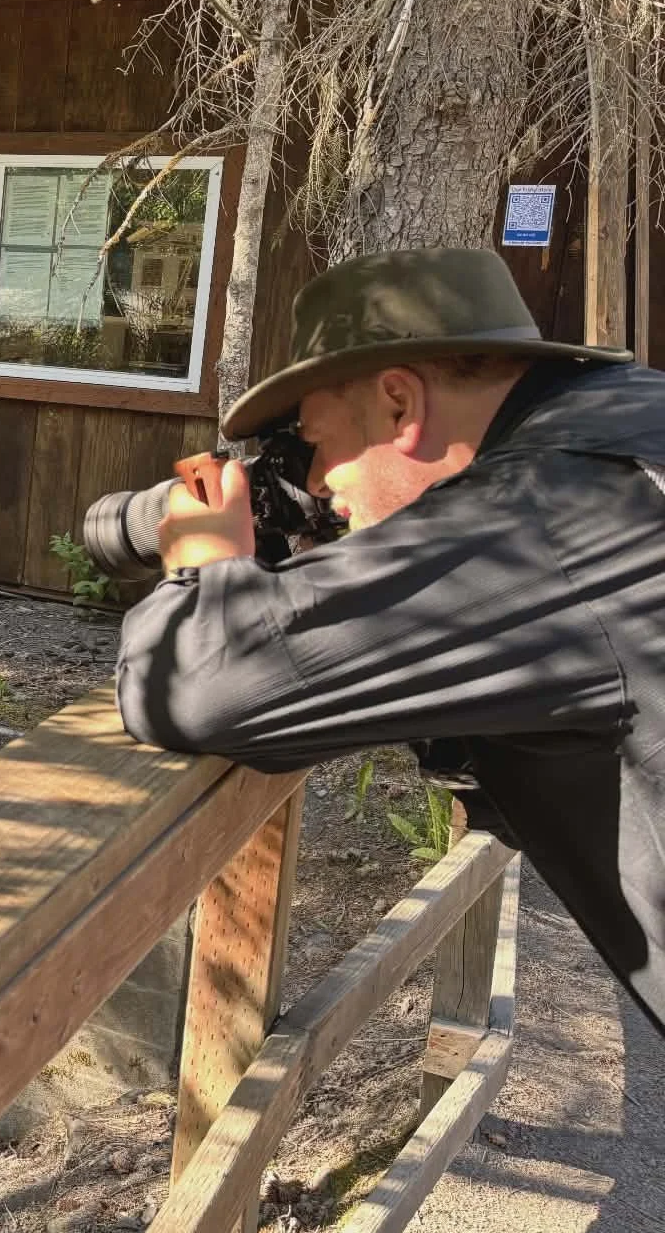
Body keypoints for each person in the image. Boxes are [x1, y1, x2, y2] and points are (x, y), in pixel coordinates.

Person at [115, 246, 665, 1036]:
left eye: (322, 443)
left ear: (401, 405)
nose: (321, 487)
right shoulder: (625, 424)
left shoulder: (539, 517)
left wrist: (207, 564)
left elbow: (199, 683)